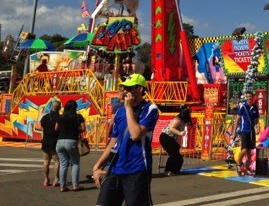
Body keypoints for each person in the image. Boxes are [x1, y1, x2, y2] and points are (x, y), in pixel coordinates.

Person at [92, 73, 159, 206]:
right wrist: (98, 166)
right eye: (124, 88)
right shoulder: (119, 112)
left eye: (129, 89)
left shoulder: (150, 109)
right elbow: (113, 141)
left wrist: (128, 108)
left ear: (140, 89)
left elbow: (135, 134)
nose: (125, 92)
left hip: (137, 169)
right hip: (115, 168)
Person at [55, 99, 86, 192]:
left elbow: (56, 128)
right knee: (75, 163)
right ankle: (75, 185)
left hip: (60, 141)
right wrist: (76, 130)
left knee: (63, 164)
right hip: (71, 141)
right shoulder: (78, 117)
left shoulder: (61, 117)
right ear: (75, 108)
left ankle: (62, 186)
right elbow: (83, 128)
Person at [231, 90, 260, 176]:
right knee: (244, 149)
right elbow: (237, 119)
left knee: (250, 152)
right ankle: (239, 164)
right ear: (246, 97)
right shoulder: (243, 107)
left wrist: (257, 126)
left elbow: (256, 119)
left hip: (251, 131)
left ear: (253, 97)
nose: (249, 98)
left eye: (250, 96)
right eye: (247, 97)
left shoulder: (255, 108)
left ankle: (246, 169)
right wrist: (234, 132)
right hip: (244, 130)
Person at [159, 106, 192, 176]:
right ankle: (169, 171)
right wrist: (180, 133)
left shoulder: (183, 120)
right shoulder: (178, 119)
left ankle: (173, 171)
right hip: (166, 137)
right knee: (174, 155)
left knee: (177, 157)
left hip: (171, 138)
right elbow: (171, 128)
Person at [40, 100, 61, 187]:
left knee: (46, 161)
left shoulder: (45, 117)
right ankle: (56, 178)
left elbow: (42, 127)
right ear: (59, 108)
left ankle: (46, 179)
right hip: (55, 141)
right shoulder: (59, 118)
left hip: (45, 141)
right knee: (57, 161)